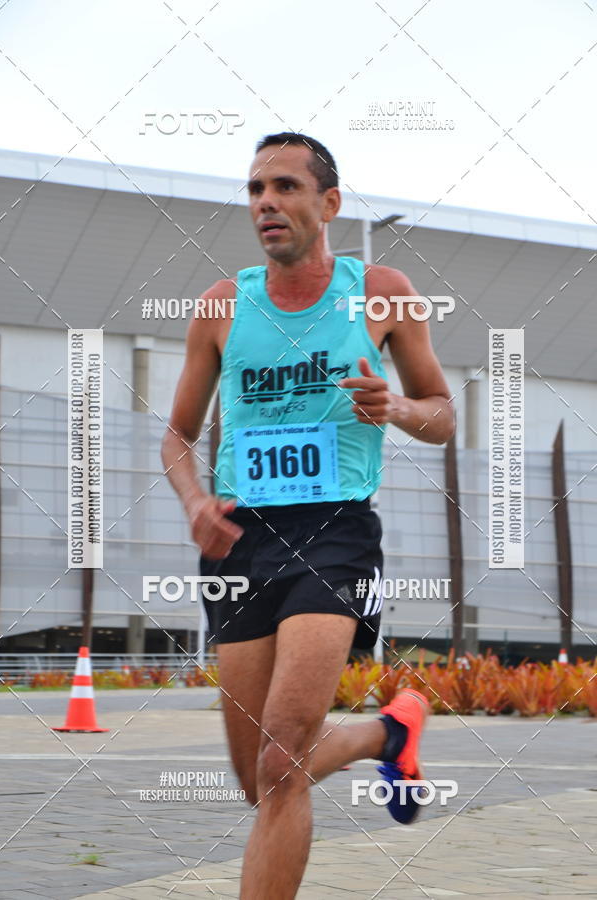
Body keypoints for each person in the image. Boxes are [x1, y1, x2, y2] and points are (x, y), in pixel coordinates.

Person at [162, 132, 455, 899]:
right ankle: (390, 732)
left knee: (281, 763)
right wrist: (194, 499)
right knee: (257, 780)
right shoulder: (222, 307)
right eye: (256, 189)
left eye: (285, 187)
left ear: (328, 204)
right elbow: (176, 436)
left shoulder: (382, 291)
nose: (266, 203)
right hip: (238, 541)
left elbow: (444, 415)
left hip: (335, 533)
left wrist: (395, 407)